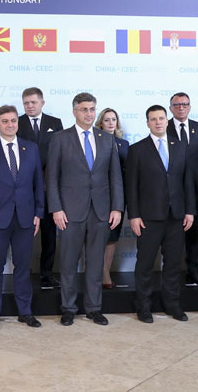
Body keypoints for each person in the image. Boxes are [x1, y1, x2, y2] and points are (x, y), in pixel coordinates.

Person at [45, 93, 123, 326]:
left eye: (92, 109)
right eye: (84, 109)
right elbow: (51, 177)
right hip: (69, 212)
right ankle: (68, 308)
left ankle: (93, 308)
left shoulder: (106, 139)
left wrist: (117, 208)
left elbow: (115, 177)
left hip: (100, 211)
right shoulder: (60, 139)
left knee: (96, 263)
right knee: (68, 262)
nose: (89, 113)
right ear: (74, 112)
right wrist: (56, 208)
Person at [0, 105, 44, 330]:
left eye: (13, 120)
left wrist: (38, 213)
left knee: (23, 266)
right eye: (5, 121)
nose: (10, 125)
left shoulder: (31, 148)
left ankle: (25, 312)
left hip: (25, 218)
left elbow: (38, 183)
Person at [127, 105, 194, 323]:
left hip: (176, 216)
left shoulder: (180, 146)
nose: (158, 122)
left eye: (161, 118)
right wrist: (134, 215)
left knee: (173, 264)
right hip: (148, 218)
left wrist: (190, 211)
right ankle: (143, 307)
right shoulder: (137, 149)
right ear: (147, 123)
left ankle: (172, 305)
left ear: (167, 121)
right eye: (153, 119)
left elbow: (187, 182)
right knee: (145, 265)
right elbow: (131, 187)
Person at [16, 87, 63, 290]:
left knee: (49, 235)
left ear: (42, 103)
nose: (30, 106)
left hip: (49, 186)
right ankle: (22, 274)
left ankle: (47, 274)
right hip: (24, 188)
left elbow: (60, 153)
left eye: (33, 102)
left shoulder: (55, 123)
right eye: (26, 103)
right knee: (24, 234)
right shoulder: (16, 122)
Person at [167, 92, 198, 286]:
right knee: (173, 230)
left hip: (195, 186)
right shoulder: (163, 126)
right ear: (171, 108)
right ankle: (172, 272)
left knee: (193, 229)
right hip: (172, 185)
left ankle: (193, 271)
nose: (181, 107)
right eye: (177, 104)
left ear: (189, 107)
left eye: (184, 104)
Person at [95, 108, 129, 289]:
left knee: (112, 236)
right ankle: (94, 272)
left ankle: (105, 272)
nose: (110, 123)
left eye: (113, 119)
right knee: (96, 236)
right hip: (98, 196)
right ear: (100, 123)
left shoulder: (124, 144)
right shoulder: (94, 141)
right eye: (106, 119)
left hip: (118, 197)